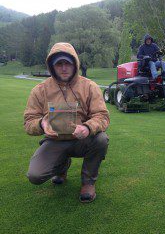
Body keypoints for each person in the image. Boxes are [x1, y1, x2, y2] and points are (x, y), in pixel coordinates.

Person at [24, 42, 110, 203]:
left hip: (82, 140)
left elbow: (102, 116)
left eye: (67, 63)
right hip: (54, 141)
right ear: (52, 66)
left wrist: (87, 127)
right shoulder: (40, 90)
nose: (64, 68)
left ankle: (88, 183)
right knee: (35, 176)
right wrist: (41, 124)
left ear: (75, 64)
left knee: (101, 140)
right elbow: (28, 122)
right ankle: (62, 167)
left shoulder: (89, 86)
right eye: (59, 64)